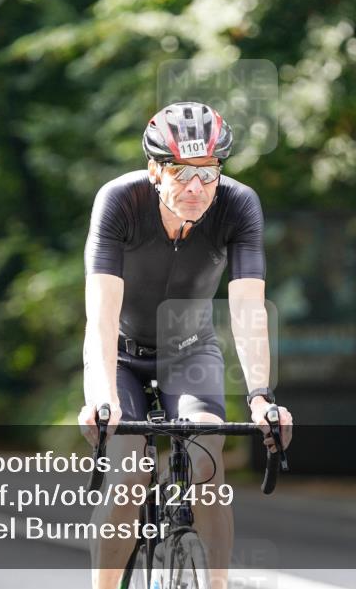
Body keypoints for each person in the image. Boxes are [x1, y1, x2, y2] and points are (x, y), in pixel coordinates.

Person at [78, 101, 294, 589]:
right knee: (128, 476)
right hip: (121, 353)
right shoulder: (119, 201)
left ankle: (214, 584)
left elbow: (247, 309)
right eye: (180, 171)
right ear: (155, 169)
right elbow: (101, 315)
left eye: (208, 172)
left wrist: (261, 395)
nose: (196, 187)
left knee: (207, 467)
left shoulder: (238, 205)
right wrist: (102, 399)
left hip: (190, 350)